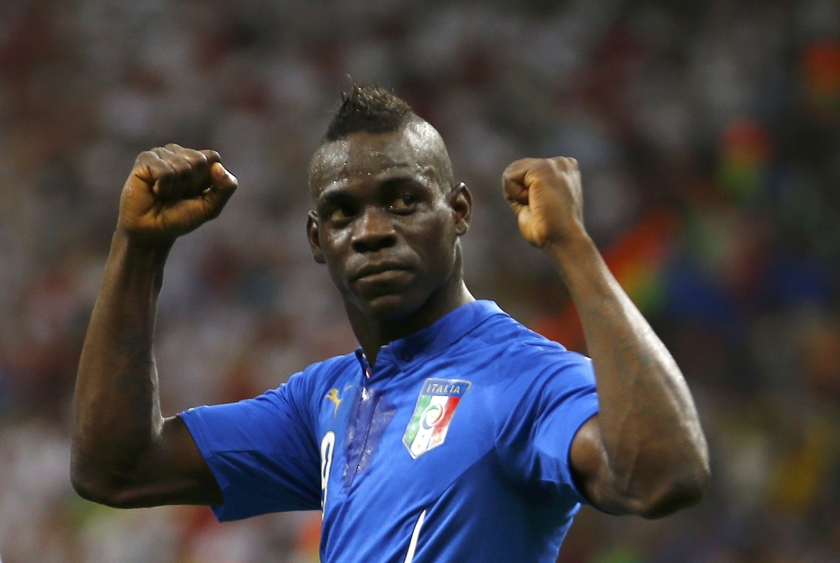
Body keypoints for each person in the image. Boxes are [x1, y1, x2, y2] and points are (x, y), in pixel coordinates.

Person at [71, 84, 710, 562]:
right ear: (317, 240)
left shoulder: (523, 377)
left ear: (458, 211)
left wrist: (573, 245)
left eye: (404, 200)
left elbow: (663, 475)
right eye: (344, 213)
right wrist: (139, 248)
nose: (373, 232)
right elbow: (116, 468)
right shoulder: (322, 401)